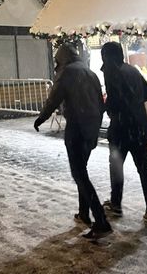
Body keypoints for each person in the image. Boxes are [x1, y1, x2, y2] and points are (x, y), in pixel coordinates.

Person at [34, 43, 111, 240]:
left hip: (76, 126)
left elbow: (53, 99)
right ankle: (83, 212)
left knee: (79, 174)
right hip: (91, 127)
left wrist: (41, 118)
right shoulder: (89, 72)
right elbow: (100, 102)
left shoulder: (67, 73)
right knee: (81, 171)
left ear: (61, 59)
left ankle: (101, 221)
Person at [101, 42, 147, 228]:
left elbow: (116, 100)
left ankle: (116, 204)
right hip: (139, 126)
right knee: (144, 168)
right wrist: (135, 104)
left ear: (107, 56)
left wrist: (107, 107)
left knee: (116, 165)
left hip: (122, 128)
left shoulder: (112, 70)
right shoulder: (132, 70)